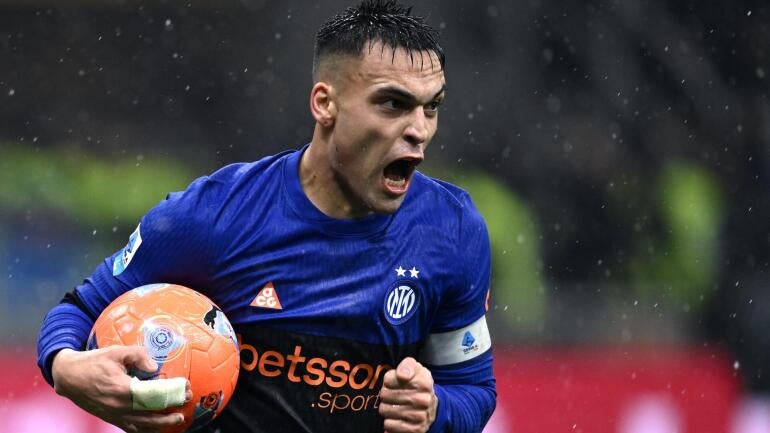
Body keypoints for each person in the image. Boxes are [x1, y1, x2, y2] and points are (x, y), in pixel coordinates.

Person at [36, 1, 496, 432]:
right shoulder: (214, 216)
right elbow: (79, 311)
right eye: (393, 104)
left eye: (431, 107)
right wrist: (65, 367)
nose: (419, 130)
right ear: (325, 104)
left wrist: (435, 409)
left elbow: (473, 389)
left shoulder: (453, 231)